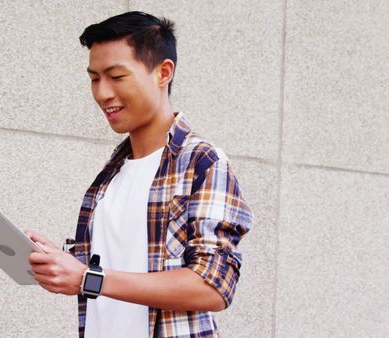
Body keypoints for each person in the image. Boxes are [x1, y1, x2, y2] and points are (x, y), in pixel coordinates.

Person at [26, 11, 253, 338]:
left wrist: (88, 278)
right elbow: (111, 267)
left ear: (163, 72)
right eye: (94, 78)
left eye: (116, 77)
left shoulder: (201, 162)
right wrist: (61, 262)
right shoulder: (110, 175)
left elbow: (213, 287)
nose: (103, 93)